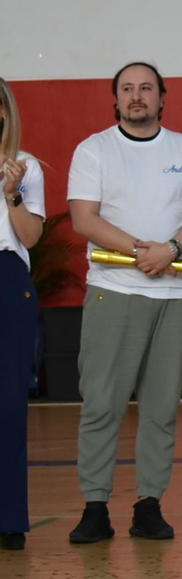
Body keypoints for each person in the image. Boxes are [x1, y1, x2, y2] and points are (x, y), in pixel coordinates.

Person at [67, 61, 182, 542]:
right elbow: (84, 219)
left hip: (176, 293)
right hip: (116, 290)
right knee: (102, 403)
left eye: (146, 88)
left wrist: (170, 251)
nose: (137, 96)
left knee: (160, 408)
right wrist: (142, 254)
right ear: (116, 99)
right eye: (128, 89)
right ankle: (95, 507)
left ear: (161, 97)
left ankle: (149, 503)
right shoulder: (94, 150)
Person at [0, 79, 45, 550]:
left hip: (7, 278)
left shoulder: (25, 165)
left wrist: (13, 193)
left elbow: (30, 237)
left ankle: (9, 516)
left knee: (8, 403)